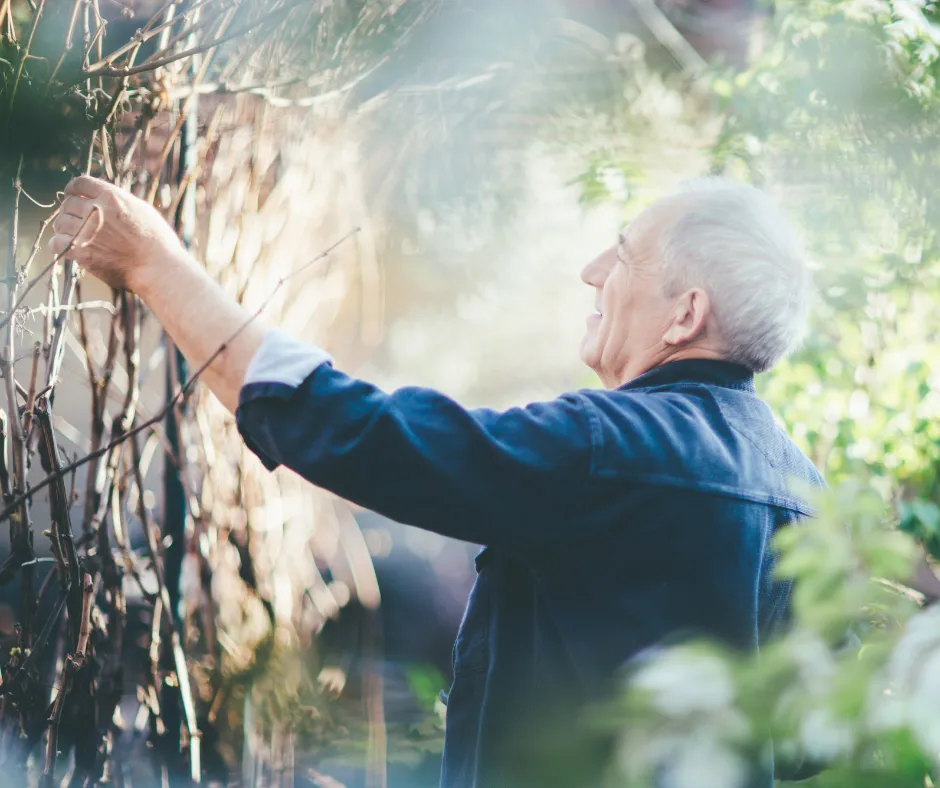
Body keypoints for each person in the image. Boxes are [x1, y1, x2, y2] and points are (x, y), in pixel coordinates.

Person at [49, 175, 824, 788]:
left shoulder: (605, 449)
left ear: (685, 314)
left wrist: (157, 262)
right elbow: (803, 739)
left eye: (623, 254)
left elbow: (356, 433)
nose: (592, 271)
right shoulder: (808, 494)